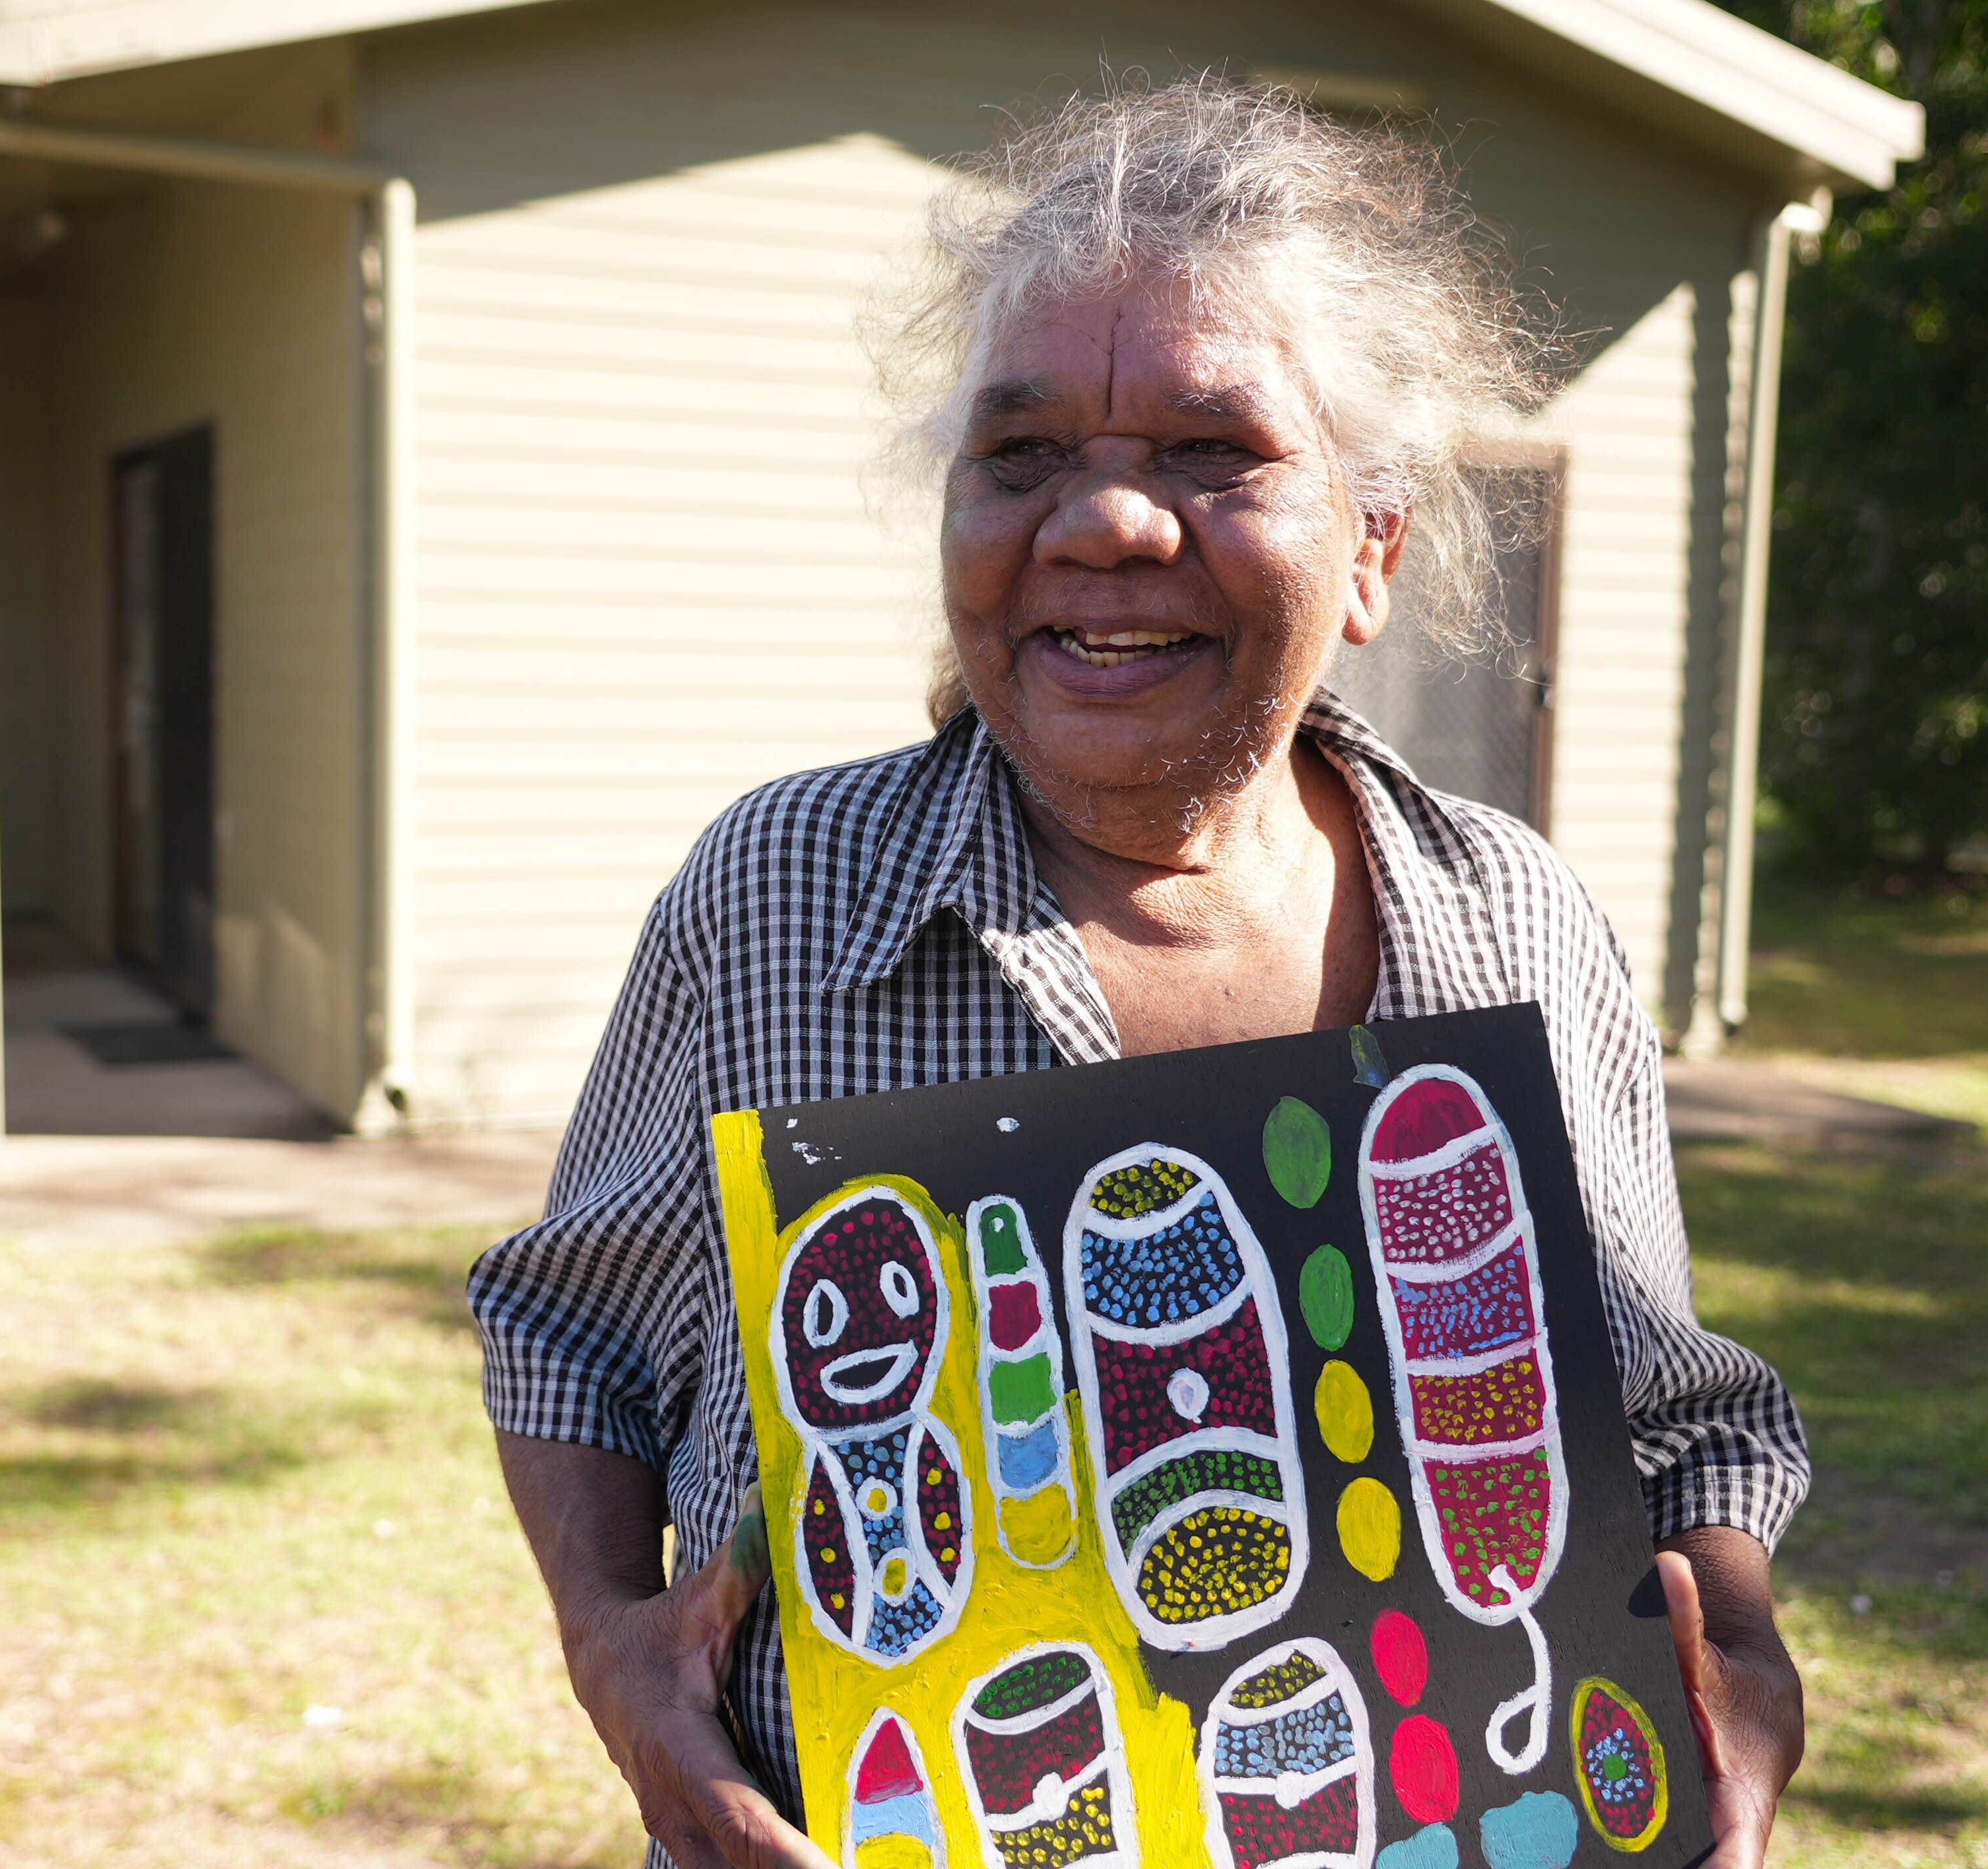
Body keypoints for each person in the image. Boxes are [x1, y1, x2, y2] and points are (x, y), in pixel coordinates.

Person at [469, 75, 1807, 1869]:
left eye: (1210, 451)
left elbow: (1674, 1410)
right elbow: (569, 1329)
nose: (1104, 522)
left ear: (1373, 551)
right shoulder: (777, 895)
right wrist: (612, 1648)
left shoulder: (1520, 925)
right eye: (1021, 456)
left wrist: (1748, 1654)